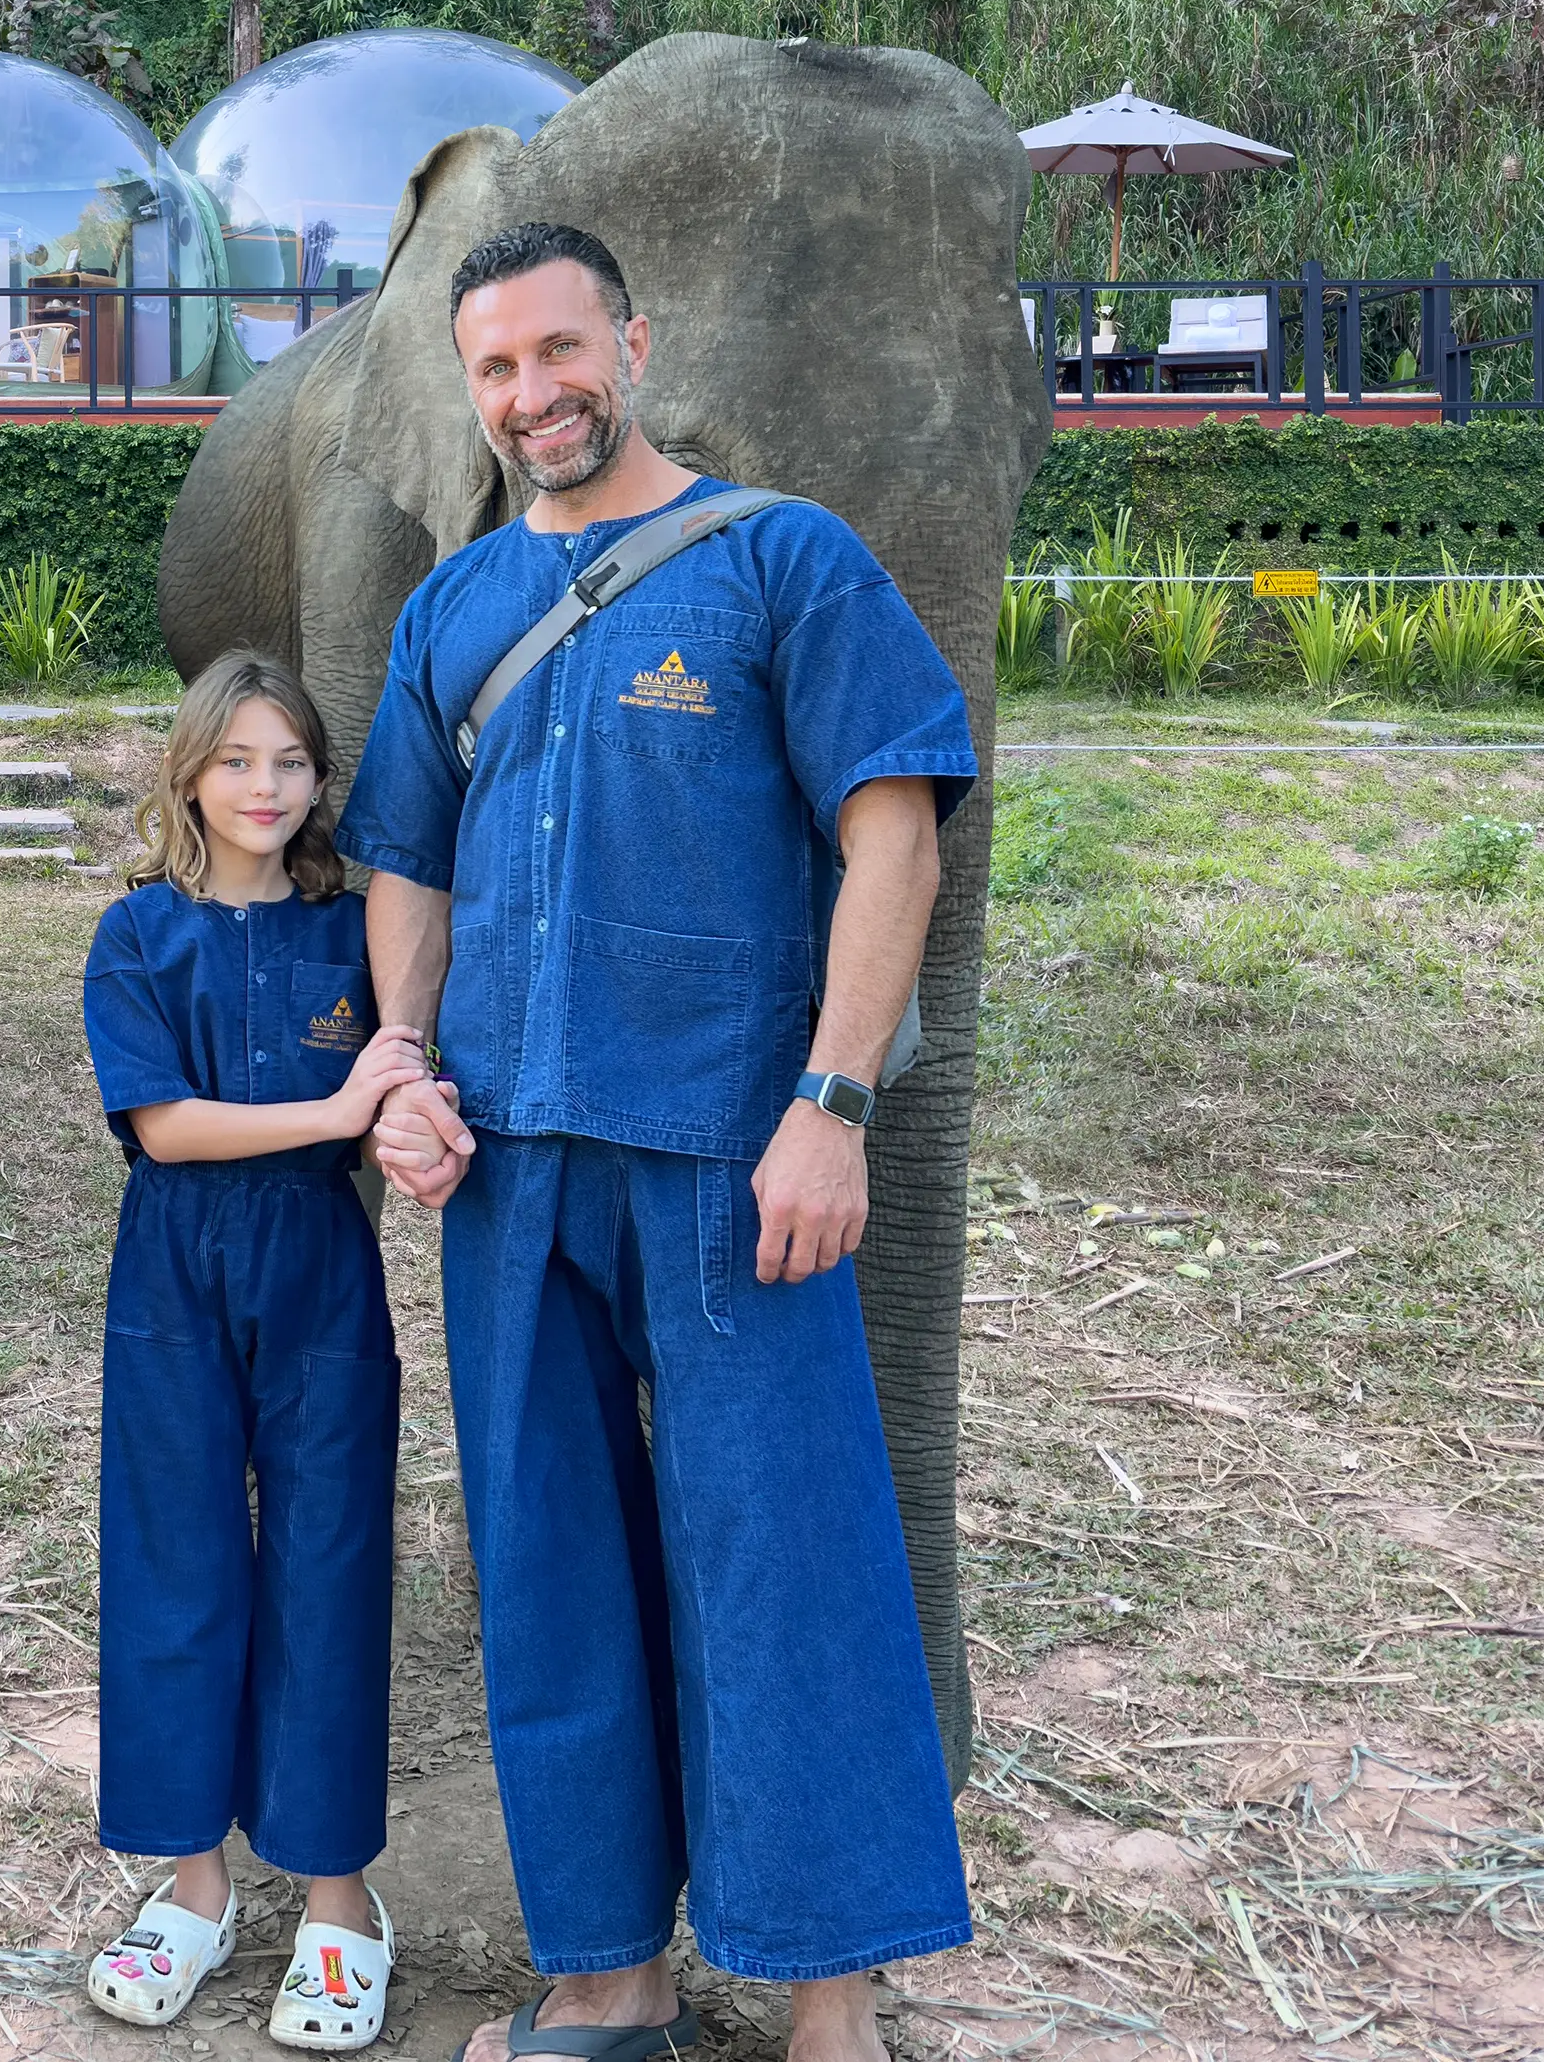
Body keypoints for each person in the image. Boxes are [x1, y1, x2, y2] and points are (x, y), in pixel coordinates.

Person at [337, 223, 976, 2062]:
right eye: (497, 367)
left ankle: (830, 2005)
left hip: (728, 1159)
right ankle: (608, 1982)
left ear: (634, 340)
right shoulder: (453, 605)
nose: (534, 393)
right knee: (548, 1575)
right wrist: (402, 1062)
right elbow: (408, 862)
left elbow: (894, 837)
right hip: (507, 1163)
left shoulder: (788, 560)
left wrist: (832, 1108)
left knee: (784, 1563)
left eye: (560, 350)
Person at [75, 651, 433, 2052]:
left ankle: (340, 1904)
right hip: (173, 1269)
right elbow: (164, 1128)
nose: (264, 787)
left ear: (320, 781)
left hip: (322, 1271)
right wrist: (339, 1110)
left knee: (327, 1565)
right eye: (236, 760)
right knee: (175, 1564)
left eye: (290, 762)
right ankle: (194, 1890)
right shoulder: (135, 934)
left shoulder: (357, 937)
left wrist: (400, 1114)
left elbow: (411, 1079)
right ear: (190, 775)